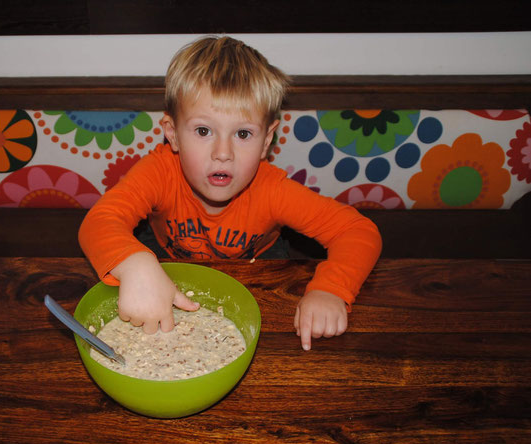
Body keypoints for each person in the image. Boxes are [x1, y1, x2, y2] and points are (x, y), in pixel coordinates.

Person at [79, 36, 382, 351]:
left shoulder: (272, 190)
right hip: (164, 263)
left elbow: (357, 230)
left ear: (266, 142)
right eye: (203, 131)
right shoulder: (159, 173)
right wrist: (135, 265)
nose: (223, 153)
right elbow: (99, 221)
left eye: (243, 134)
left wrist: (330, 290)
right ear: (172, 134)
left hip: (260, 274)